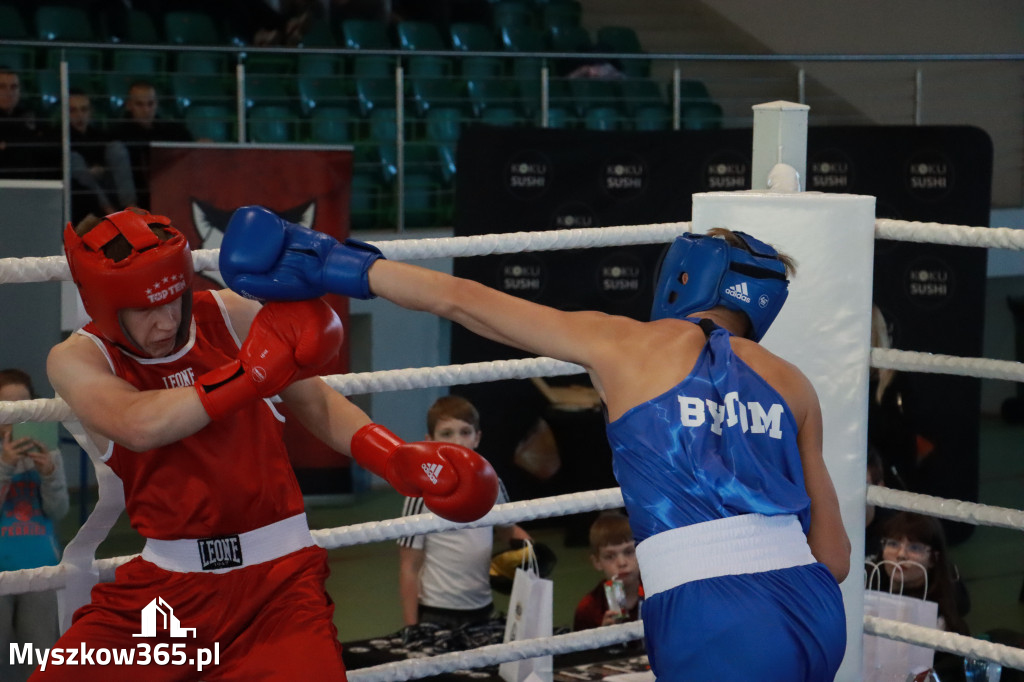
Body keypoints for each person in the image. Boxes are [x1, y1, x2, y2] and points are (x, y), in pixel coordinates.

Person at [218, 208, 852, 681]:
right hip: (814, 610)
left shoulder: (625, 343)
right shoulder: (793, 383)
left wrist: (335, 264)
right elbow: (837, 554)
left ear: (685, 278)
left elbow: (463, 300)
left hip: (713, 614)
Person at [35, 207, 499, 680]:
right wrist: (249, 374)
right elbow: (137, 423)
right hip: (165, 589)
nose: (165, 320)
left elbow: (315, 403)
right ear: (103, 305)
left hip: (280, 587)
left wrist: (390, 454)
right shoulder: (79, 359)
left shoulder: (231, 315)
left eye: (174, 298)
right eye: (144, 308)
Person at [398, 395, 529, 632]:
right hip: (436, 612)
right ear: (430, 441)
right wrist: (412, 627)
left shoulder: (492, 484)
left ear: (477, 438)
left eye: (465, 432)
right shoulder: (421, 492)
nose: (457, 441)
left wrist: (532, 553)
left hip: (484, 608)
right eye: (446, 434)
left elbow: (509, 531)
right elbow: (409, 566)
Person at [0, 369, 69, 682]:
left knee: (39, 661)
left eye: (23, 407)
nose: (17, 416)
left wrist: (50, 474)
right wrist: (5, 467)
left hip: (41, 571)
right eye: (8, 407)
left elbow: (59, 511)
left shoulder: (48, 452)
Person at [876, 511, 971, 681]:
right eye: (893, 543)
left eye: (914, 547)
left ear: (934, 559)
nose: (901, 554)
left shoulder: (945, 617)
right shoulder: (867, 581)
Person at [109, 81, 193, 210]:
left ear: (157, 104)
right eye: (140, 104)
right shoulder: (116, 134)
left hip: (168, 197)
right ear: (129, 105)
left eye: (150, 104)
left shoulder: (173, 131)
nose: (146, 110)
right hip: (135, 201)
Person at [67, 89, 137, 223]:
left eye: (84, 109)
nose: (79, 115)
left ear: (90, 112)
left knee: (116, 147)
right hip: (82, 189)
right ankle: (109, 212)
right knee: (74, 160)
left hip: (104, 180)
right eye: (73, 110)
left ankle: (131, 209)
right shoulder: (59, 137)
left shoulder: (99, 135)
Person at [573, 512, 642, 631]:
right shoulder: (588, 609)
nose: (621, 563)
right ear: (597, 562)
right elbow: (584, 649)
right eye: (610, 556)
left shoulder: (661, 595)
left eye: (629, 552)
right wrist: (602, 639)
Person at [0, 66, 54, 180]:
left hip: (31, 183)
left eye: (14, 87)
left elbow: (47, 146)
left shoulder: (32, 114)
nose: (9, 93)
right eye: (2, 87)